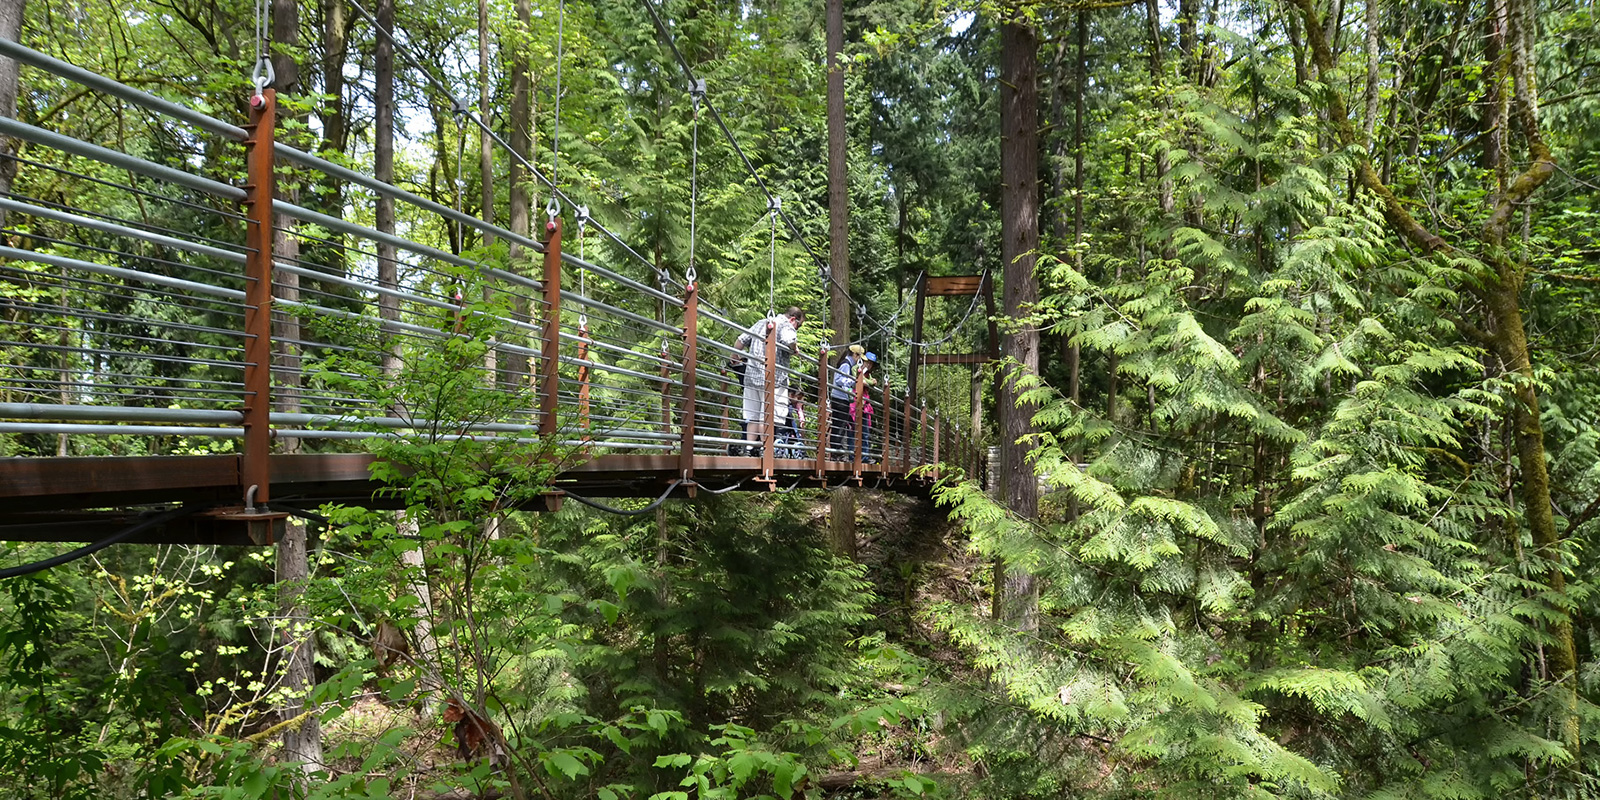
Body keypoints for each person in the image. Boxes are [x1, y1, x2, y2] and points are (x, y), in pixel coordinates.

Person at [740, 306, 804, 456]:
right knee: (766, 416)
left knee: (753, 416)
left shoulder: (761, 322)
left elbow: (741, 340)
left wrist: (735, 357)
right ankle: (765, 449)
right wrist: (795, 349)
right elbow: (790, 339)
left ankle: (748, 450)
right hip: (773, 378)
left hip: (752, 376)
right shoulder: (785, 325)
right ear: (793, 319)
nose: (797, 329)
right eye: (798, 326)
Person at [829, 345, 864, 455]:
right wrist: (853, 381)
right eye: (859, 357)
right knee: (840, 424)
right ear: (855, 355)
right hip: (840, 399)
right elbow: (839, 380)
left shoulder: (846, 363)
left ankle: (836, 449)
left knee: (839, 423)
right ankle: (836, 449)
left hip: (839, 397)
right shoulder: (846, 364)